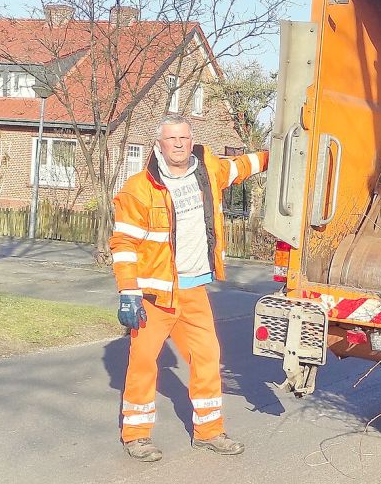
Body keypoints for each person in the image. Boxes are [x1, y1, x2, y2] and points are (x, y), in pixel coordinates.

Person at [110, 115, 268, 462]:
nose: (179, 143)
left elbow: (240, 166)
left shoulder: (207, 170)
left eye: (183, 136)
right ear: (159, 145)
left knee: (208, 356)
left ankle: (209, 432)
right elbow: (123, 243)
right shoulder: (139, 188)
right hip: (155, 294)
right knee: (143, 362)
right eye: (171, 138)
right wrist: (128, 291)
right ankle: (136, 435)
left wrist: (278, 154)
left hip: (194, 289)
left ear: (191, 138)